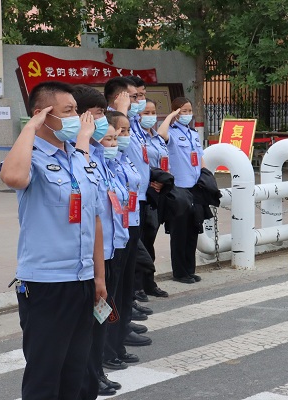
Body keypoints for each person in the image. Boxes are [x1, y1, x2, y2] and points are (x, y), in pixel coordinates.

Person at [0, 81, 106, 400]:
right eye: (68, 111)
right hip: (46, 285)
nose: (77, 117)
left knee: (76, 372)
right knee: (45, 376)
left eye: (77, 110)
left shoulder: (79, 157)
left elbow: (95, 218)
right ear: (42, 114)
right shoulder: (29, 157)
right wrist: (30, 128)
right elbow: (13, 177)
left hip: (83, 280)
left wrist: (99, 276)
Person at [71, 85, 124, 398]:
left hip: (107, 247)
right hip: (87, 255)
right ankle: (90, 373)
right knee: (90, 322)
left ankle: (97, 371)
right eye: (100, 113)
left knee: (101, 316)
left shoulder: (101, 152)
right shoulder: (79, 154)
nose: (104, 121)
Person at [103, 111, 152, 373]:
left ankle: (117, 343)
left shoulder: (122, 160)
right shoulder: (101, 165)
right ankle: (108, 349)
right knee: (109, 296)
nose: (119, 139)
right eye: (112, 136)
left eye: (123, 133)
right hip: (112, 237)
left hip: (127, 229)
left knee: (122, 293)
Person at [158, 97, 204, 284]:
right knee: (179, 233)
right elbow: (161, 133)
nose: (187, 114)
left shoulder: (193, 134)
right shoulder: (171, 132)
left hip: (195, 187)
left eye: (189, 110)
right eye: (183, 111)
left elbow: (200, 157)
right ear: (176, 112)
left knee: (193, 230)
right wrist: (172, 116)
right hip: (179, 189)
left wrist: (206, 178)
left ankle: (190, 269)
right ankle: (180, 272)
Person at [134, 98, 169, 298]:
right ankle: (137, 286)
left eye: (152, 112)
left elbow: (163, 163)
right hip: (140, 194)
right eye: (145, 113)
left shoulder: (156, 138)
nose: (150, 116)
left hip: (156, 194)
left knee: (150, 240)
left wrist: (162, 181)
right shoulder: (135, 137)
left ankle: (149, 283)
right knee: (137, 243)